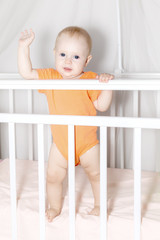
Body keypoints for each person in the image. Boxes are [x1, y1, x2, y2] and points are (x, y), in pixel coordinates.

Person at [18, 26, 113, 222]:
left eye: (76, 57)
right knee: (52, 177)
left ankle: (99, 205)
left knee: (96, 175)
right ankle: (55, 207)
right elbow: (27, 73)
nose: (68, 61)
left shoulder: (89, 79)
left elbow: (102, 106)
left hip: (87, 145)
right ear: (54, 54)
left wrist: (107, 86)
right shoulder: (51, 77)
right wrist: (23, 47)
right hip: (61, 144)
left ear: (87, 60)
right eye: (63, 54)